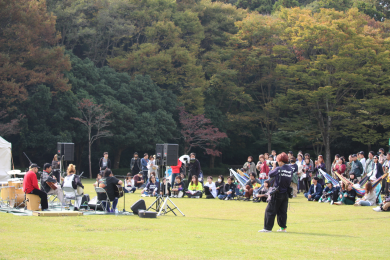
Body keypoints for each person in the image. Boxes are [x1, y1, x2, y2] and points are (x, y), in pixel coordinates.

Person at [259, 152, 293, 233]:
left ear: (280, 161)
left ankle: (267, 228)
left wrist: (274, 167)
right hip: (286, 193)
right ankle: (282, 228)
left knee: (270, 210)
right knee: (282, 212)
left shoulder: (279, 169)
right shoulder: (290, 169)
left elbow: (270, 174)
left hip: (277, 192)